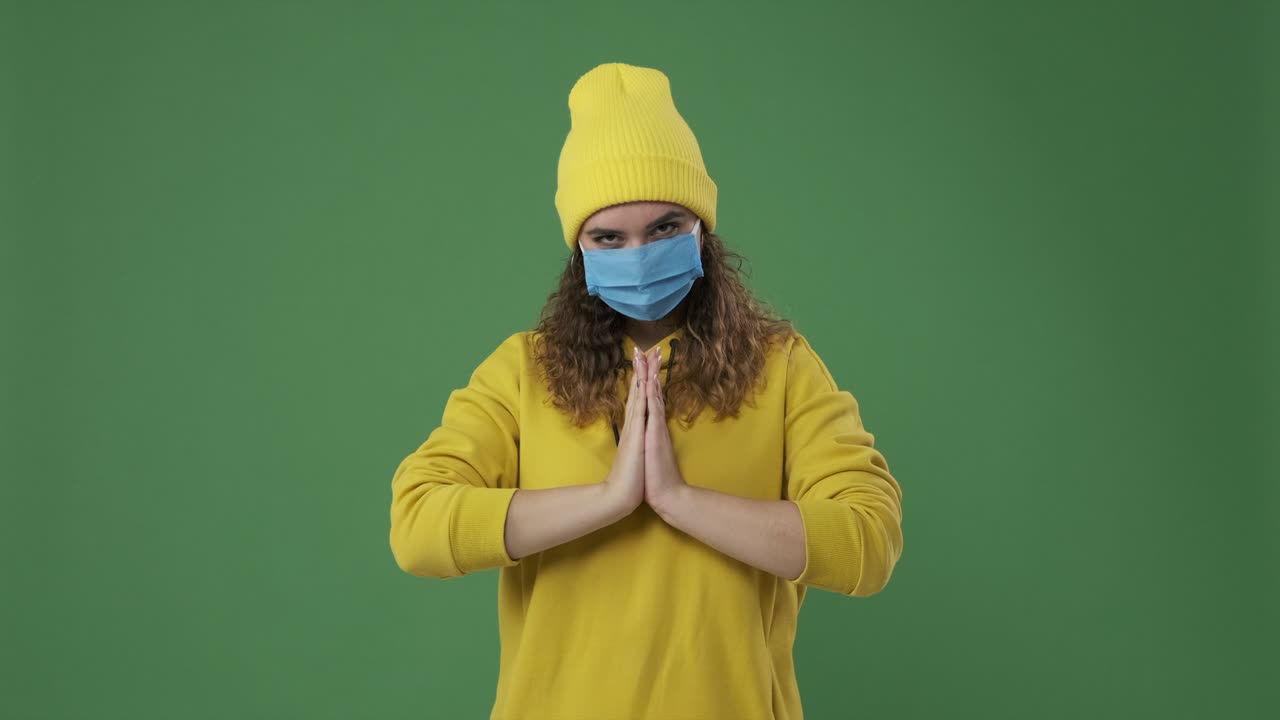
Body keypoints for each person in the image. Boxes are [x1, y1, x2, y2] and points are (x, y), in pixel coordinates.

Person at [389, 61, 905, 720]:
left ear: (702, 229)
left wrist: (680, 502)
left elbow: (868, 541)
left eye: (664, 227)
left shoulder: (784, 368)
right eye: (610, 237)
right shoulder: (521, 372)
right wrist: (607, 501)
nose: (637, 254)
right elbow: (417, 527)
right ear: (580, 249)